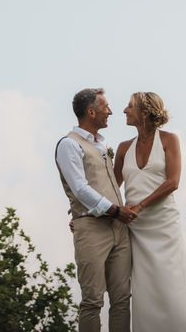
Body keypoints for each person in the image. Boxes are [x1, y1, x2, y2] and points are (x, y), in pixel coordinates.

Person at [114, 92, 186, 332]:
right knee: (144, 291)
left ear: (144, 112)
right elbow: (111, 188)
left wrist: (140, 206)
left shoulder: (169, 140)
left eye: (130, 106)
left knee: (172, 288)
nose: (124, 110)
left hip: (164, 226)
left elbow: (173, 182)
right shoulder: (123, 149)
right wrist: (85, 212)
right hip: (136, 230)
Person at [55, 88, 137, 332]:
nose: (110, 111)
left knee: (122, 300)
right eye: (106, 107)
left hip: (119, 229)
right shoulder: (68, 145)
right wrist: (114, 210)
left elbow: (105, 183)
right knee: (92, 300)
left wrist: (117, 214)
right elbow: (79, 188)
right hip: (92, 229)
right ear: (91, 112)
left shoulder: (102, 145)